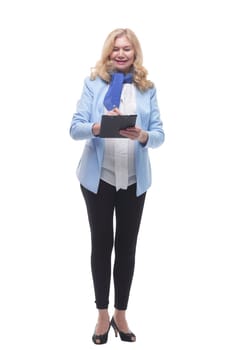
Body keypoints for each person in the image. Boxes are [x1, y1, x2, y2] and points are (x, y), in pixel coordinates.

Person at [69, 28, 165, 344]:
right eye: (115, 49)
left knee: (126, 247)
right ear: (108, 53)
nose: (121, 54)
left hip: (134, 180)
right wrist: (97, 127)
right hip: (100, 178)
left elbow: (159, 134)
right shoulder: (93, 84)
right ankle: (101, 314)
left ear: (135, 53)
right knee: (102, 244)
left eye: (127, 49)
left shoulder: (147, 89)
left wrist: (143, 136)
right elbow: (75, 129)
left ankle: (120, 314)